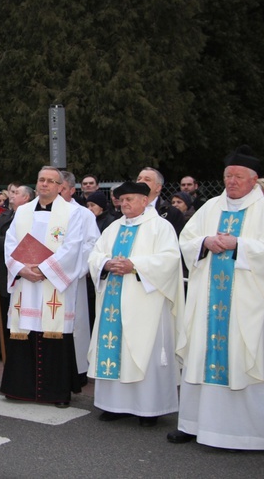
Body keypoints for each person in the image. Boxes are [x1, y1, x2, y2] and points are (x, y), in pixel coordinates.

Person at [169, 145, 264, 450]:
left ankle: (250, 434)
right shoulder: (211, 207)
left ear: (253, 180)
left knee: (244, 359)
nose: (232, 181)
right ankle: (193, 425)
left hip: (247, 306)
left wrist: (239, 244)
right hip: (207, 304)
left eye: (238, 176)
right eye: (228, 176)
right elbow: (186, 240)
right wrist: (206, 241)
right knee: (201, 356)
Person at [88, 181, 183, 427]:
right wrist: (106, 264)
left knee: (144, 351)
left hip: (146, 303)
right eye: (122, 200)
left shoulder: (160, 227)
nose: (125, 203)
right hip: (113, 301)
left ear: (144, 200)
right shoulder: (113, 227)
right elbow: (95, 254)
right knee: (115, 350)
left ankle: (149, 409)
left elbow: (170, 260)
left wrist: (135, 265)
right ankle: (114, 405)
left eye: (131, 199)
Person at [0, 166, 86, 407]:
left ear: (60, 187)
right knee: (24, 331)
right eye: (41, 180)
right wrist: (20, 269)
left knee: (54, 334)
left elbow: (73, 246)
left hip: (54, 286)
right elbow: (11, 243)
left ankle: (56, 392)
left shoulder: (72, 213)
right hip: (26, 285)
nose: (45, 184)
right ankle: (20, 389)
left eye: (51, 181)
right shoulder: (23, 211)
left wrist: (45, 270)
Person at [0, 184, 34, 363]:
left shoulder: (30, 216)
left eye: (16, 192)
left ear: (26, 198)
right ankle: (0, 347)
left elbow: (23, 242)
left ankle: (15, 350)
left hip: (17, 274)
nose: (11, 195)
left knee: (15, 315)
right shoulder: (4, 214)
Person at [61, 171, 101, 385]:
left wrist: (70, 265)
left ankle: (76, 371)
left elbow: (93, 244)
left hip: (72, 279)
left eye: (63, 189)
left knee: (75, 326)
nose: (58, 193)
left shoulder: (83, 214)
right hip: (46, 279)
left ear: (72, 190)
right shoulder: (44, 212)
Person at [137, 167, 185, 236]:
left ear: (158, 188)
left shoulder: (173, 213)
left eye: (147, 179)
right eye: (139, 179)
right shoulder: (126, 210)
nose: (141, 181)